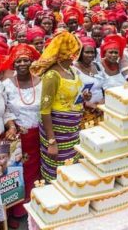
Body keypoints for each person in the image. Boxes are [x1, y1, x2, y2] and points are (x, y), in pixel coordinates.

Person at [30, 31, 86, 182]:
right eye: (76, 49)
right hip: (57, 133)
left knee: (71, 169)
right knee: (58, 172)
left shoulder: (72, 70)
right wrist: (52, 142)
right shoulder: (52, 76)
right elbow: (45, 110)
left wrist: (83, 97)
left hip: (72, 130)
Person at [2, 44, 42, 224]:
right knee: (16, 171)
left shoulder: (41, 81)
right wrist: (11, 126)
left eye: (26, 60)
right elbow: (5, 110)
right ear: (14, 63)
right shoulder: (6, 85)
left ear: (32, 61)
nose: (23, 63)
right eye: (19, 61)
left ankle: (34, 204)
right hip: (16, 137)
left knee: (36, 171)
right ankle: (16, 211)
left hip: (38, 135)